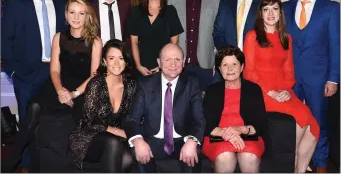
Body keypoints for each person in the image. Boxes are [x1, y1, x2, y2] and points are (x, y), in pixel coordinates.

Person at [2, 0, 102, 172]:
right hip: (58, 83)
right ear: (66, 15)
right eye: (72, 12)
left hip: (83, 88)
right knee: (33, 107)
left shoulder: (95, 41)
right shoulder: (59, 37)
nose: (76, 17)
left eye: (81, 13)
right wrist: (60, 90)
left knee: (78, 119)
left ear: (87, 16)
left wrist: (73, 94)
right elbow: (54, 70)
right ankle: (14, 157)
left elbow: (95, 75)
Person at [1, 0, 69, 169]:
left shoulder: (62, 4)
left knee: (54, 118)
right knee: (27, 118)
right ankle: (29, 165)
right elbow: (5, 40)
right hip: (26, 73)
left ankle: (52, 162)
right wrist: (13, 71)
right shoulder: (15, 4)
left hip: (57, 71)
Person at [243, 0, 320, 173]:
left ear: (280, 13)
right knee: (301, 118)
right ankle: (288, 164)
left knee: (313, 126)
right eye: (266, 9)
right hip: (260, 91)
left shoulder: (286, 38)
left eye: (275, 9)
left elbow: (289, 72)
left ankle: (298, 170)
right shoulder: (252, 36)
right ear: (260, 14)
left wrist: (284, 90)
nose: (271, 13)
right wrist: (271, 92)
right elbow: (249, 72)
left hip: (283, 90)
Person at [283, 0, 340, 173]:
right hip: (290, 79)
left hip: (319, 78)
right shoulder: (284, 7)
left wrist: (333, 78)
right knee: (292, 124)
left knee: (318, 122)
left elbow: (336, 45)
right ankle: (297, 163)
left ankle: (321, 164)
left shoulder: (331, 8)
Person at [124, 43, 205, 172]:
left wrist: (192, 140)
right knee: (139, 151)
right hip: (152, 140)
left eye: (177, 59)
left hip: (182, 139)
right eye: (167, 60)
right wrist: (138, 140)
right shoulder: (145, 84)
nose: (173, 64)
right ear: (159, 63)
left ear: (183, 62)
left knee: (194, 152)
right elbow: (132, 118)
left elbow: (199, 119)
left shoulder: (192, 84)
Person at [70, 39, 136, 172]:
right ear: (105, 61)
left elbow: (134, 116)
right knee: (113, 142)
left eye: (121, 58)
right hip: (89, 137)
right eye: (111, 58)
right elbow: (89, 121)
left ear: (126, 62)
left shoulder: (131, 85)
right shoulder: (96, 84)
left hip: (118, 138)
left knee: (128, 159)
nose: (116, 63)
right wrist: (118, 132)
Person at [202, 45, 267, 173]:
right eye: (225, 65)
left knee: (249, 156)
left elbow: (261, 124)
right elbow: (205, 123)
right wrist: (226, 134)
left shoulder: (254, 89)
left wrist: (241, 129)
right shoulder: (212, 90)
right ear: (219, 69)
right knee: (225, 156)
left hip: (248, 136)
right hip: (217, 137)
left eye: (234, 64)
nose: (230, 69)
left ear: (242, 67)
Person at [168, 0, 220, 91]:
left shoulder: (216, 1)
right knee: (179, 107)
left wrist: (217, 59)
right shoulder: (172, 0)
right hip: (179, 64)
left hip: (205, 64)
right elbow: (166, 32)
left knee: (204, 107)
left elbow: (219, 33)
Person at [212, 0, 265, 83]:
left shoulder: (265, 3)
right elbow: (217, 33)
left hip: (255, 67)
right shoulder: (225, 2)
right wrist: (230, 57)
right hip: (227, 66)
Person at [127, 0, 184, 77]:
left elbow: (174, 44)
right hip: (141, 69)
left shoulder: (170, 11)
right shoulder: (136, 11)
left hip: (164, 69)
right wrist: (139, 66)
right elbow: (134, 43)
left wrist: (162, 67)